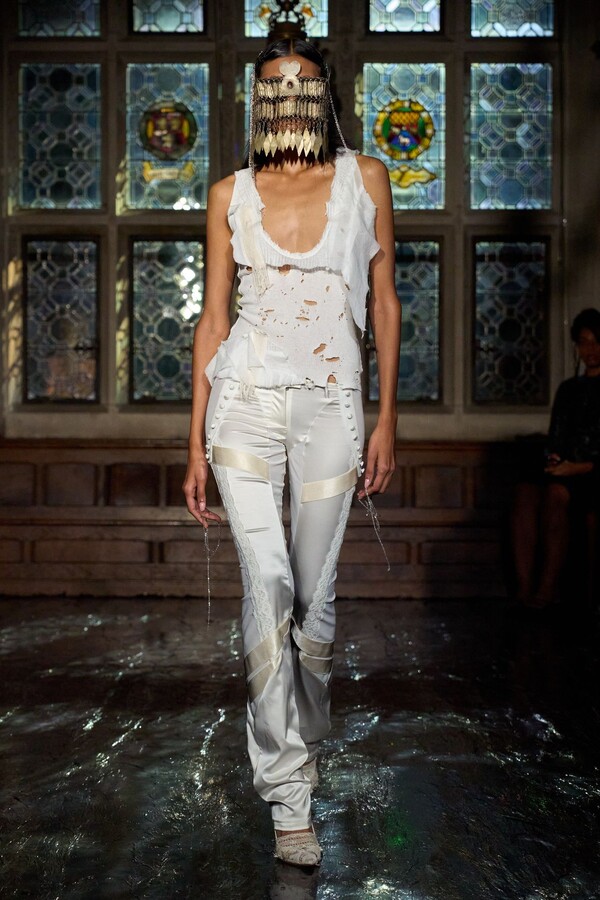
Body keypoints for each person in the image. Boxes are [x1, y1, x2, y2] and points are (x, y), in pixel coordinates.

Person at [183, 38, 401, 867]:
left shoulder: (365, 178)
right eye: (271, 84)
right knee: (267, 582)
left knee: (313, 601)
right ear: (255, 102)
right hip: (242, 403)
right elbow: (213, 319)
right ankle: (288, 796)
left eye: (301, 82)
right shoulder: (230, 192)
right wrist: (193, 444)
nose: (286, 95)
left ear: (324, 95)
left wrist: (388, 419)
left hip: (333, 404)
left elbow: (385, 301)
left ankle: (305, 740)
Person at [511, 308, 600, 609]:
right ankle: (524, 589)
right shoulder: (569, 389)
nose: (591, 350)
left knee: (556, 494)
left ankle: (547, 590)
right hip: (564, 468)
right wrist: (554, 459)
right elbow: (556, 436)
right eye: (584, 342)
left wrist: (580, 467)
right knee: (525, 493)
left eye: (597, 342)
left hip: (590, 472)